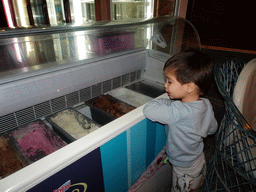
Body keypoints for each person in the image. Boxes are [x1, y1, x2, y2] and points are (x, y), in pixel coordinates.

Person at [143, 50, 218, 192]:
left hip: (182, 168)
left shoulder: (177, 112)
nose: (165, 86)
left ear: (190, 87)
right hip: (198, 159)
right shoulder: (206, 104)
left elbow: (149, 109)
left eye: (169, 81)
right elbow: (212, 128)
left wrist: (167, 102)